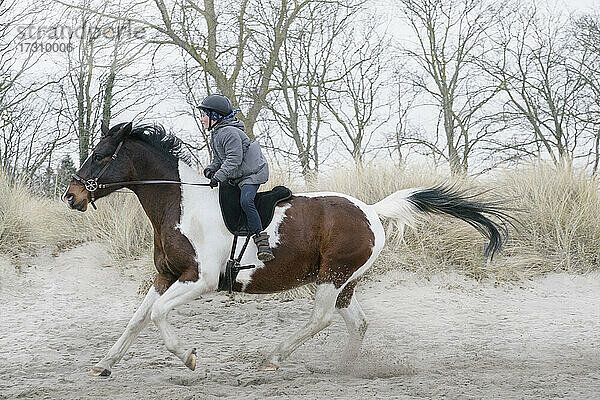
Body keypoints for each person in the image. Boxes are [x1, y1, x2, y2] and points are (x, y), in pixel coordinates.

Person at [198, 94, 275, 262]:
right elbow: (220, 159)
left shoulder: (229, 133)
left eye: (204, 115)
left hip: (251, 175)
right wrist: (211, 169)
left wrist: (218, 176)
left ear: (214, 116)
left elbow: (234, 160)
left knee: (246, 202)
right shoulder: (217, 134)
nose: (202, 119)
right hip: (238, 175)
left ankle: (262, 242)